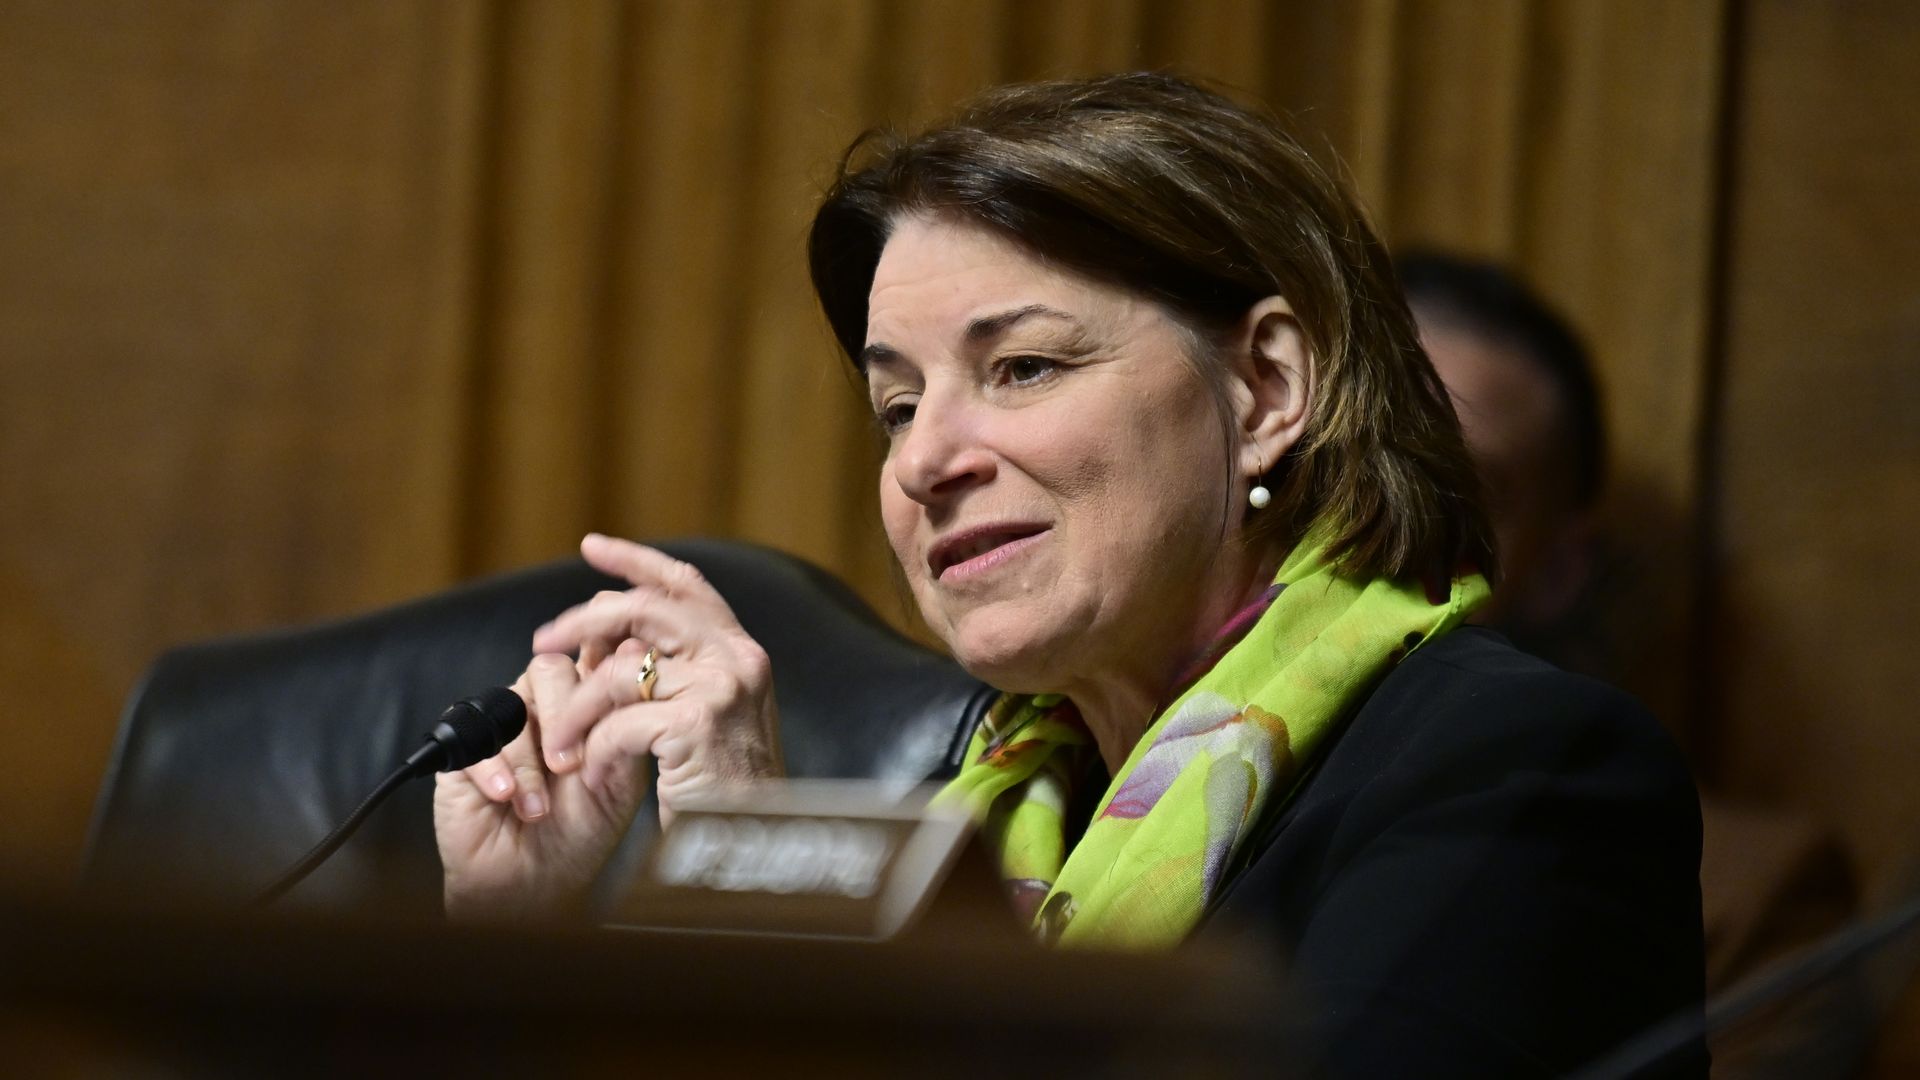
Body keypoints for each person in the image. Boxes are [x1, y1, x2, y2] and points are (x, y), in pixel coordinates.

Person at [433, 74, 1706, 1074]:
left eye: (1023, 368)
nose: (925, 459)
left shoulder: (1519, 771)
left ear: (1265, 387)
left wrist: (765, 884)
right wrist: (523, 948)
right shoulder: (971, 814)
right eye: (894, 405)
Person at [1403, 251, 1868, 1077]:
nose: (1383, 517)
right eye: (1352, 456)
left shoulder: (1744, 894)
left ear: (1557, 571)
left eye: (1460, 488)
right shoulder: (1120, 774)